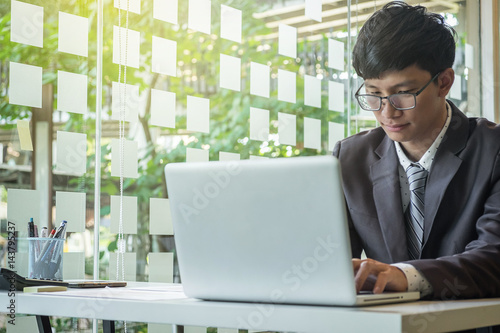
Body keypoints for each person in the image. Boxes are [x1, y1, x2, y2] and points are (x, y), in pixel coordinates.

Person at [333, 0, 500, 306]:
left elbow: (494, 259)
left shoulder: (494, 151)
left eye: (402, 94)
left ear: (444, 83)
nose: (387, 112)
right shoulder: (350, 157)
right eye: (373, 94)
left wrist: (405, 275)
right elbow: (330, 261)